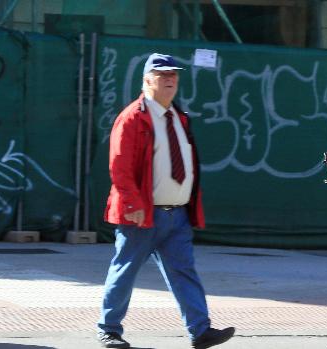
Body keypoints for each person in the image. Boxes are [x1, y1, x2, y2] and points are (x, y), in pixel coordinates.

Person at [97, 53, 234, 349]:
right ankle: (108, 329)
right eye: (162, 75)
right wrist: (132, 205)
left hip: (177, 216)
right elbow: (119, 167)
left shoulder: (178, 117)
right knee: (125, 271)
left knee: (184, 272)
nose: (169, 79)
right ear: (147, 81)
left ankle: (201, 331)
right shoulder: (133, 117)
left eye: (173, 75)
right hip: (142, 215)